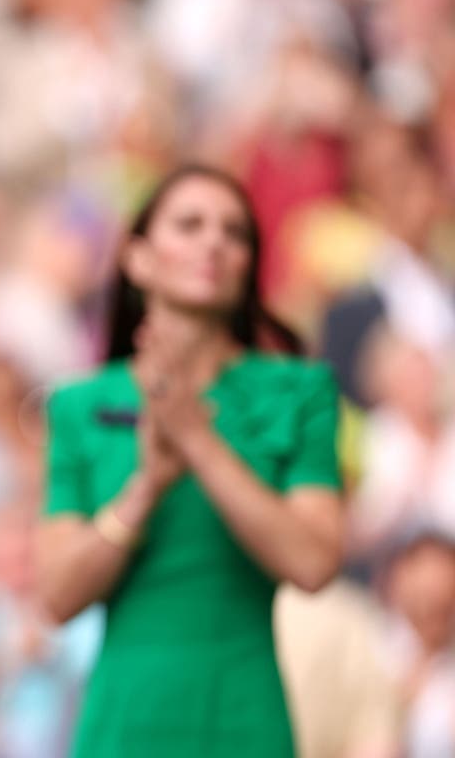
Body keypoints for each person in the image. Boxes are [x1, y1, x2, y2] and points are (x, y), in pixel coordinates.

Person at [36, 164, 345, 757]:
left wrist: (198, 442)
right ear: (138, 258)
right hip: (124, 720)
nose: (214, 242)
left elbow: (313, 562)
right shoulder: (80, 404)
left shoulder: (300, 391)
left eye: (235, 232)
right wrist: (147, 485)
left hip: (244, 714)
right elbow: (57, 594)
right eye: (190, 224)